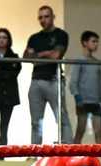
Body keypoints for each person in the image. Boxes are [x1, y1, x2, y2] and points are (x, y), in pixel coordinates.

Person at [24, 6, 73, 144]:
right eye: (40, 17)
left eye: (46, 16)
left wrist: (37, 55)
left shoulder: (61, 35)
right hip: (36, 82)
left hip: (54, 80)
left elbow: (56, 55)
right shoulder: (34, 38)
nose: (43, 20)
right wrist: (47, 53)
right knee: (36, 122)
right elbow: (26, 57)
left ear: (53, 17)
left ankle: (68, 150)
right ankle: (34, 152)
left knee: (62, 118)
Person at [69, 31, 101, 146]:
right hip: (83, 102)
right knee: (80, 131)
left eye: (97, 42)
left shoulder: (96, 62)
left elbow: (99, 84)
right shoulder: (79, 61)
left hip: (95, 102)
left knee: (99, 133)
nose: (96, 44)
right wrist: (77, 97)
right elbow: (73, 82)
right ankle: (72, 158)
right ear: (85, 43)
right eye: (93, 41)